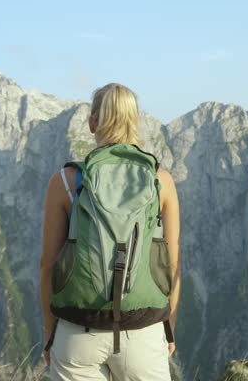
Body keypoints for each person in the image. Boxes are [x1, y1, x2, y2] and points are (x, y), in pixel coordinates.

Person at [39, 83, 181, 381]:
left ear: (92, 123)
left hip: (79, 332)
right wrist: (168, 329)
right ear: (135, 123)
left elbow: (48, 266)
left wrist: (51, 331)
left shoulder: (66, 182)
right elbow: (172, 265)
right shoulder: (160, 181)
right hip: (143, 333)